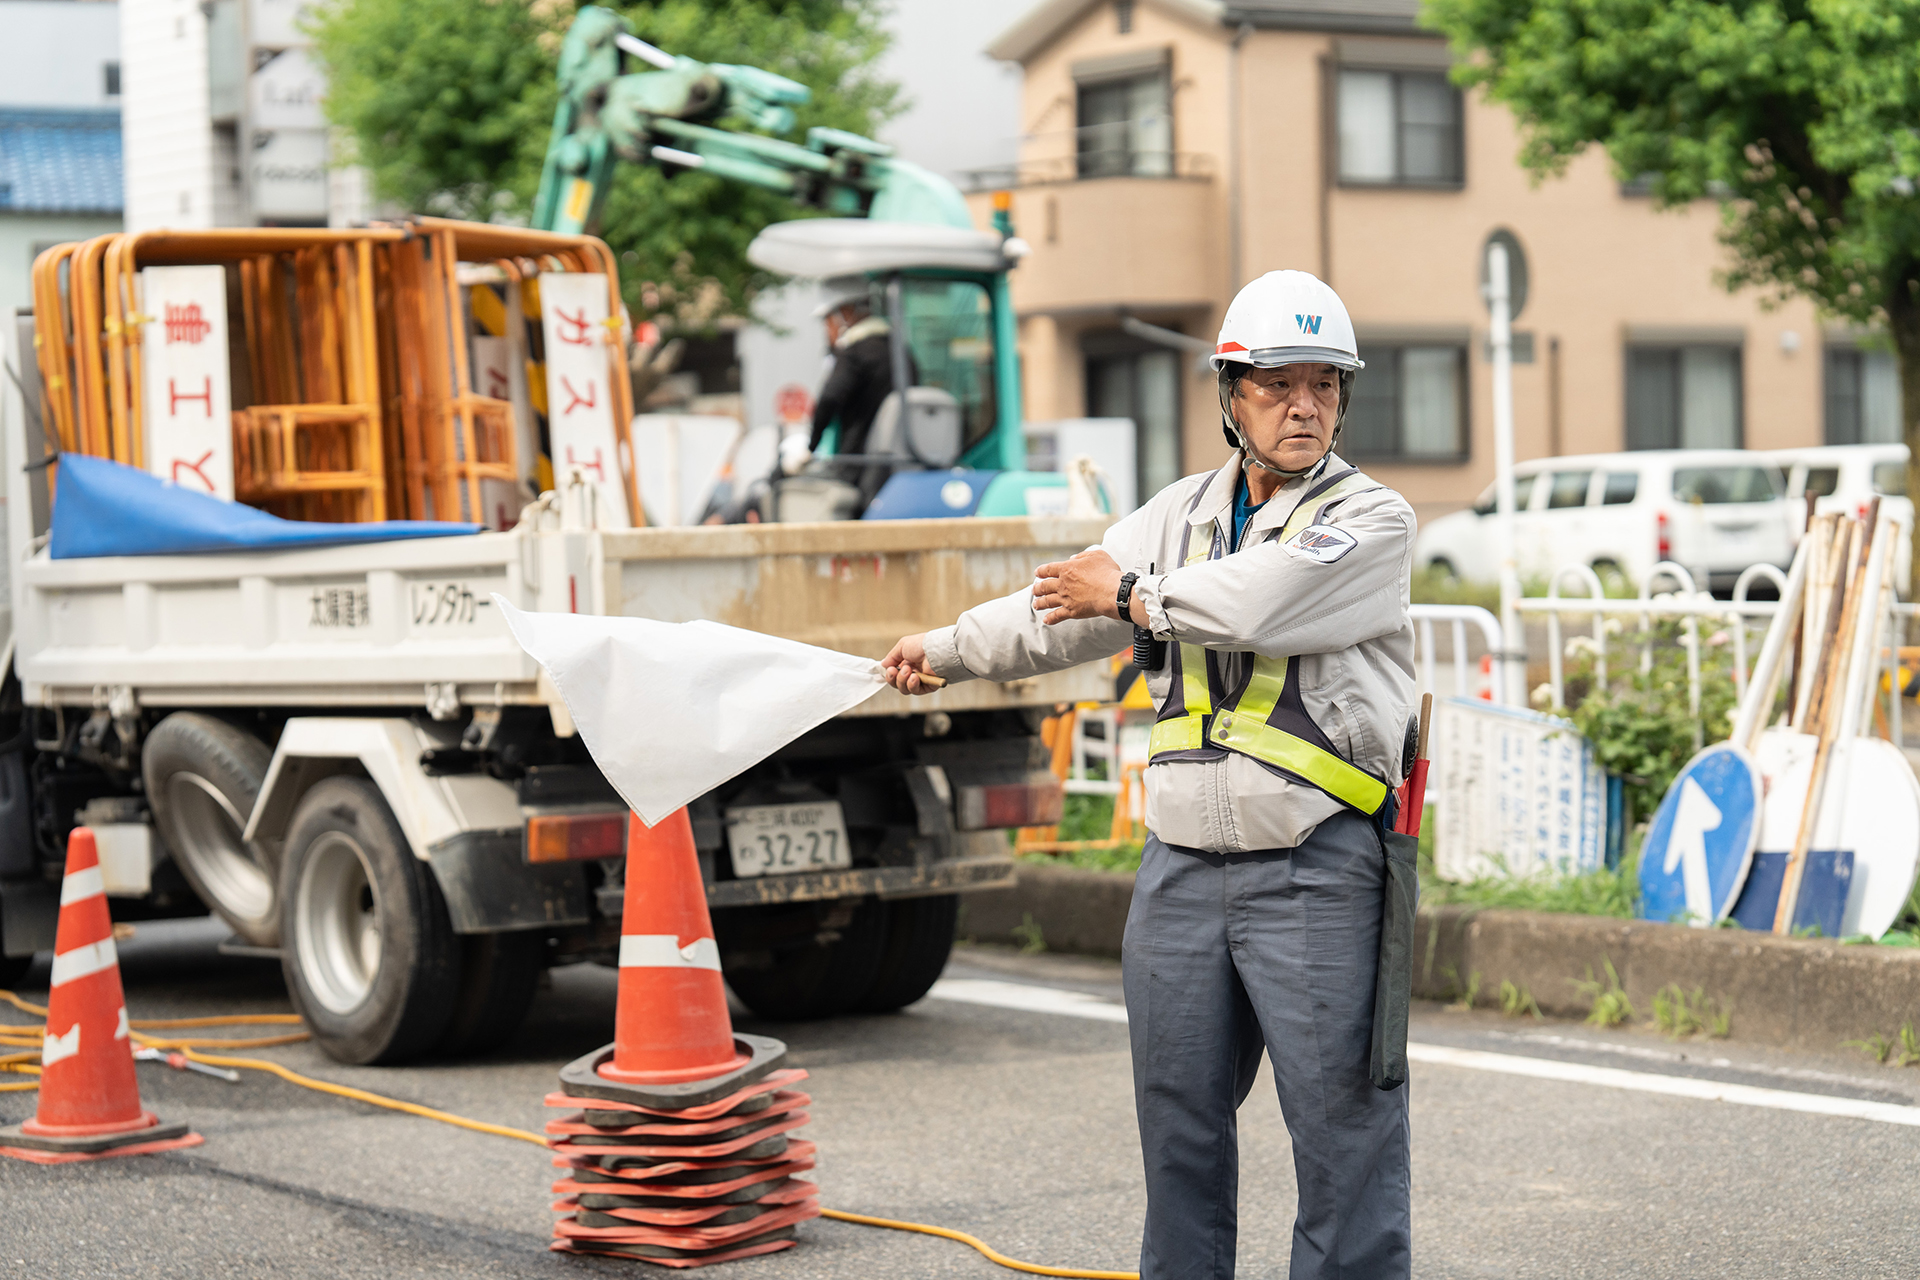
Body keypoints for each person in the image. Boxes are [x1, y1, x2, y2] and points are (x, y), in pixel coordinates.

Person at [882, 271, 1417, 1280]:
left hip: (1317, 866)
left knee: (1344, 1133)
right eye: (1276, 383)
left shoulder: (1371, 520)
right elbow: (1059, 609)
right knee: (1177, 1127)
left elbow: (1259, 599)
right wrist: (945, 647)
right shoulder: (1180, 513)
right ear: (1229, 391)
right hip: (1179, 871)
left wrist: (1129, 591)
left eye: (1324, 385)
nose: (1303, 405)